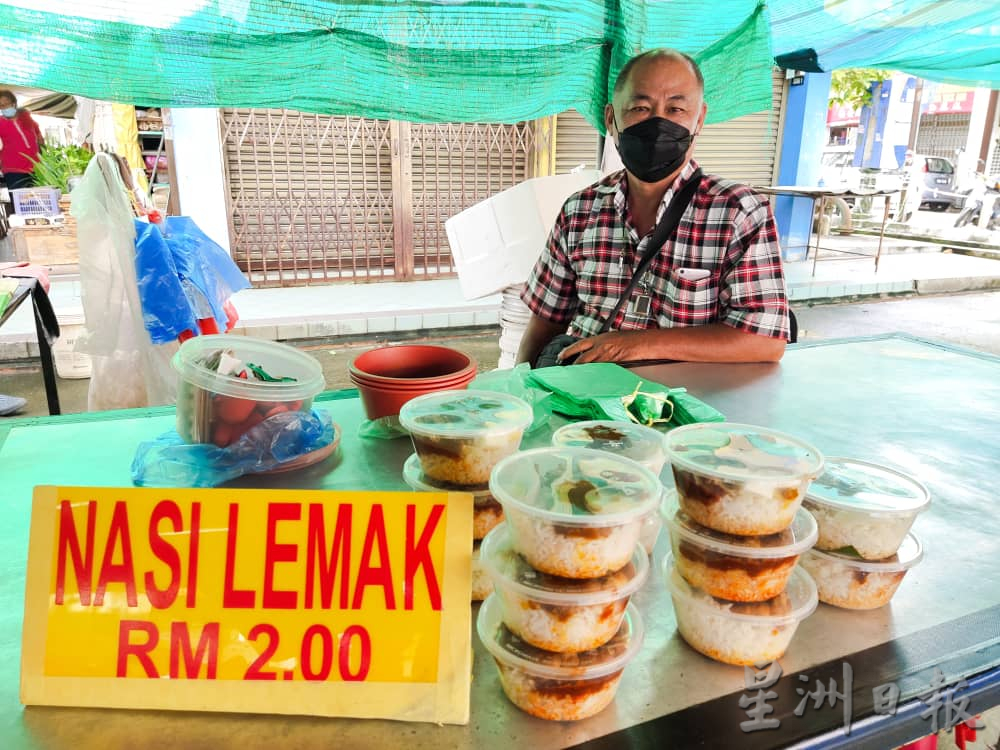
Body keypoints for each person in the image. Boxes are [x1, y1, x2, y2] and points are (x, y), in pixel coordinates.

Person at [516, 49, 789, 368]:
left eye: (676, 108)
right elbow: (546, 321)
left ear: (699, 119)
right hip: (583, 400)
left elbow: (764, 340)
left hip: (683, 406)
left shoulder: (740, 212)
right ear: (611, 119)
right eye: (640, 108)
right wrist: (522, 388)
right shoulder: (579, 211)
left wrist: (633, 345)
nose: (658, 123)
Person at [0, 89, 45, 192]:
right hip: (13, 169)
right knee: (20, 203)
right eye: (1, 105)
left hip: (36, 168)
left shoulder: (27, 119)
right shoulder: (0, 123)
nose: (5, 107)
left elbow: (39, 138)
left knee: (38, 202)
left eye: (7, 103)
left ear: (14, 103)